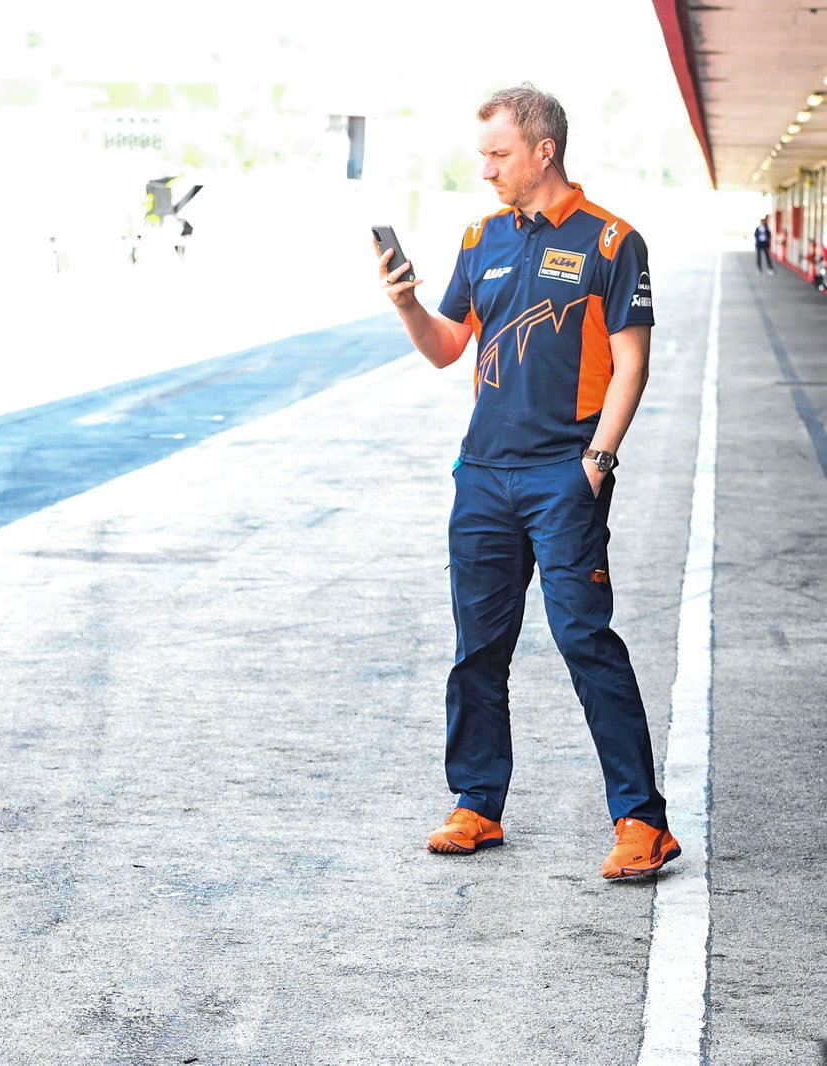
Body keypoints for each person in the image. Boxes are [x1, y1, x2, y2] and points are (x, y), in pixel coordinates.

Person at [375, 83, 680, 880]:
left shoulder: (614, 242)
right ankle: (477, 804)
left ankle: (643, 822)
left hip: (562, 477)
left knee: (585, 641)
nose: (485, 170)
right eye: (482, 155)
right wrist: (408, 304)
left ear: (543, 150)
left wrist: (597, 461)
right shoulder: (482, 238)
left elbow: (633, 362)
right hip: (482, 477)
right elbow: (448, 348)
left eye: (497, 154)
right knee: (478, 649)